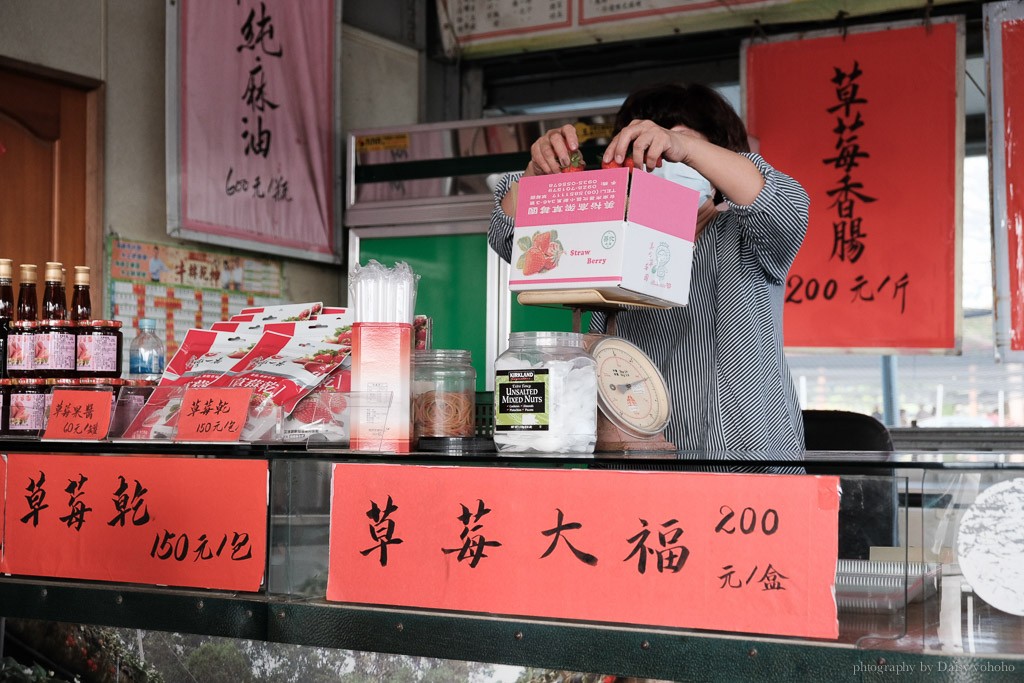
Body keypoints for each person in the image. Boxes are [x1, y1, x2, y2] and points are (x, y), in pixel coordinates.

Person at [488, 83, 810, 456]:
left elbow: (785, 204)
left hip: (742, 471)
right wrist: (537, 173)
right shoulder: (609, 233)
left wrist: (685, 150)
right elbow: (510, 237)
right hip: (629, 464)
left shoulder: (744, 234)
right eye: (642, 147)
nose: (659, 159)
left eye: (674, 146)